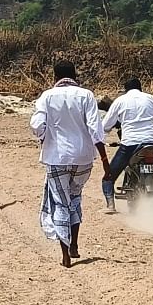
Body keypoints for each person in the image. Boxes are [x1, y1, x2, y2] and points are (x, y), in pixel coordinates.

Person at [29, 61, 107, 268]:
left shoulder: (47, 96)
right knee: (75, 198)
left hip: (56, 157)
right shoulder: (87, 95)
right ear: (75, 75)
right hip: (83, 157)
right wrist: (105, 161)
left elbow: (36, 125)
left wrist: (44, 137)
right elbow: (95, 129)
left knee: (60, 202)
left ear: (55, 76)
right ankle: (74, 246)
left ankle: (65, 253)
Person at [97, 78, 153, 214]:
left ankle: (110, 205)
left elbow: (105, 125)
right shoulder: (151, 99)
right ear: (141, 88)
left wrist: (106, 131)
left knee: (109, 176)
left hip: (129, 144)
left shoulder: (120, 101)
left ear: (125, 89)